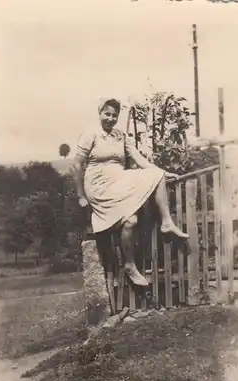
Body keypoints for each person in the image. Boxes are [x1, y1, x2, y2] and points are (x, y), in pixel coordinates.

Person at [72, 98, 189, 287]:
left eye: (114, 115)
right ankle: (130, 265)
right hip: (99, 185)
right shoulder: (90, 135)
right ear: (100, 113)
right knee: (130, 219)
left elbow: (138, 159)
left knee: (151, 183)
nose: (111, 118)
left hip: (120, 179)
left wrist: (162, 172)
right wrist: (81, 196)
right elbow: (77, 165)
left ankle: (166, 224)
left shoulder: (121, 136)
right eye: (107, 114)